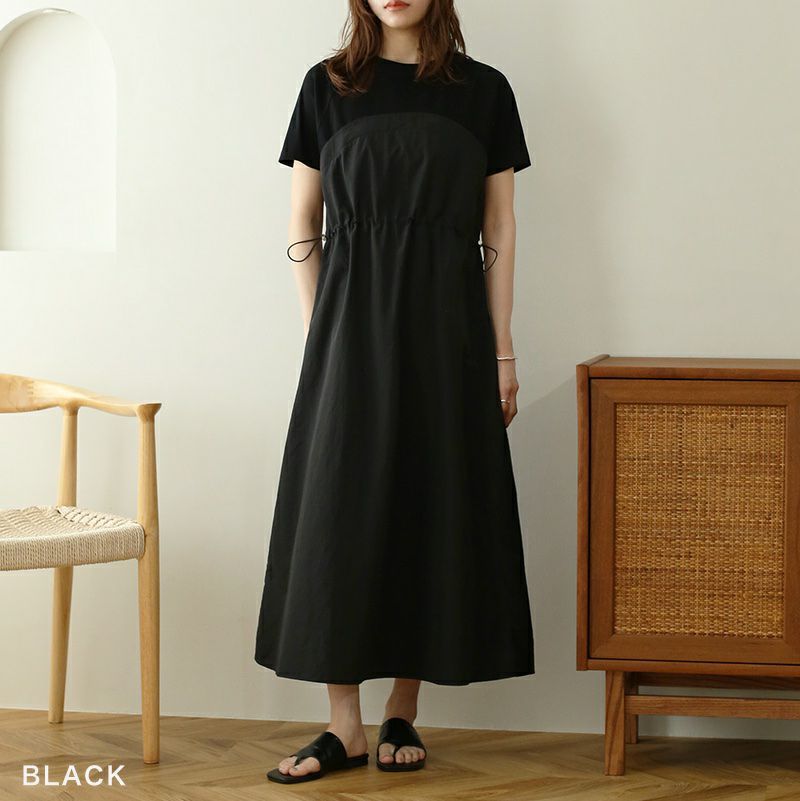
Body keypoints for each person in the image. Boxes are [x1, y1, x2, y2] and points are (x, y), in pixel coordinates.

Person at [255, 0, 535, 784]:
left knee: (429, 500)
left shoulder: (485, 91)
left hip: (450, 333)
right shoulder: (326, 87)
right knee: (336, 511)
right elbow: (302, 221)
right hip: (348, 331)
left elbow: (500, 228)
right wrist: (321, 333)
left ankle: (402, 707)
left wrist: (502, 348)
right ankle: (342, 723)